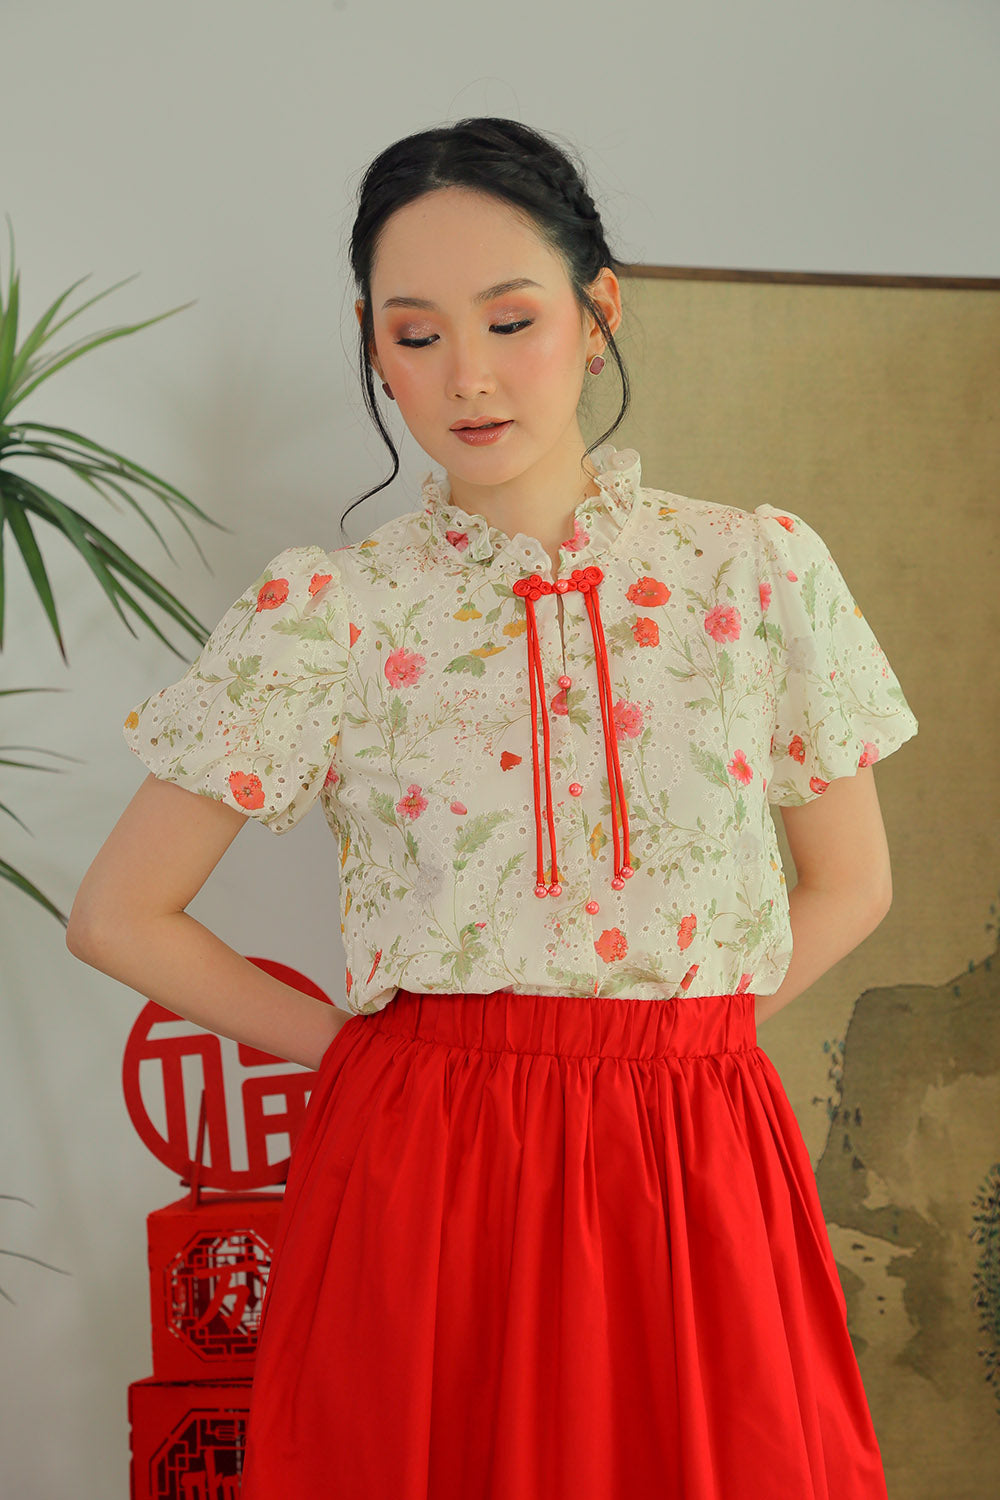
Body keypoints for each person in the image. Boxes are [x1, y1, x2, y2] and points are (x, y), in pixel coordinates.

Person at [67, 117, 918, 1499]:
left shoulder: (754, 570)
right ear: (372, 347)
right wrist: (371, 1062)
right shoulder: (330, 609)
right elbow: (118, 915)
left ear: (600, 312)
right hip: (431, 1168)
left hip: (697, 1159)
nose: (466, 374)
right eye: (414, 334)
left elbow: (852, 882)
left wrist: (674, 1048)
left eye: (511, 320)